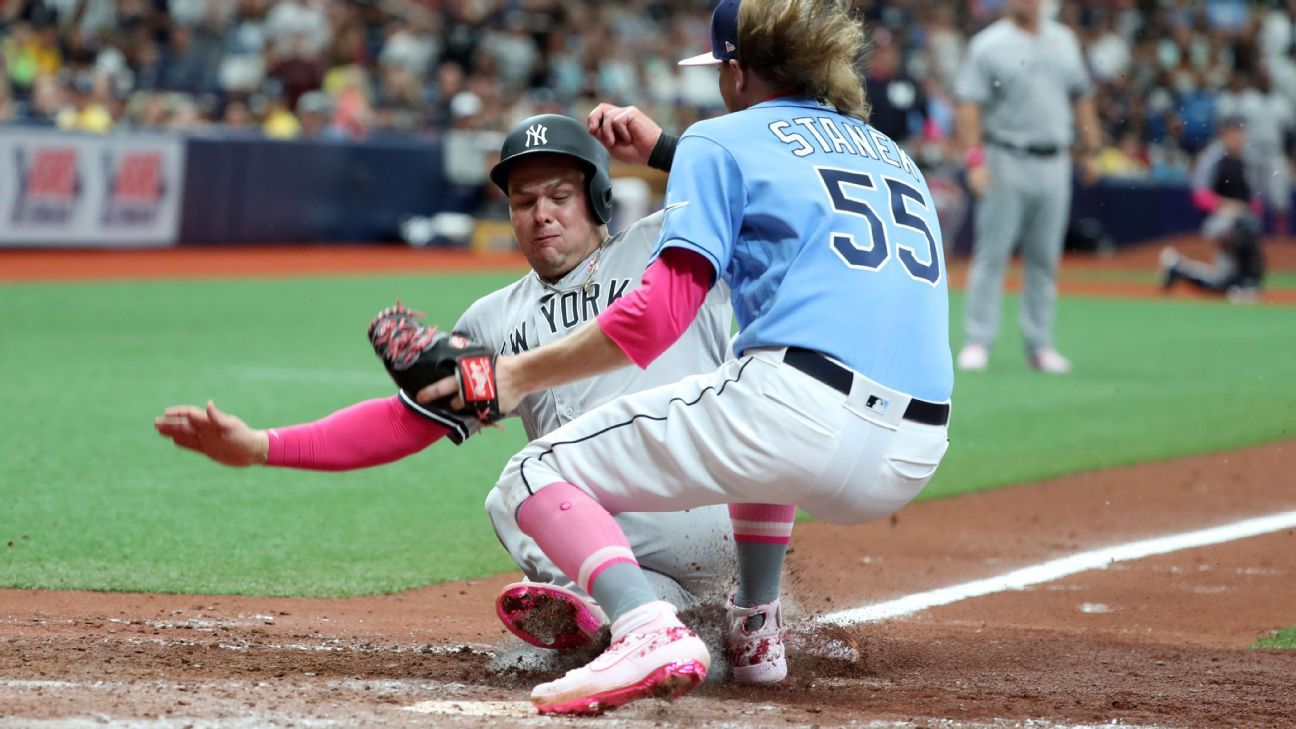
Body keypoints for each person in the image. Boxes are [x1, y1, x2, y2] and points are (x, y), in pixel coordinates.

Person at [419, 0, 951, 715]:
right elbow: (780, 177)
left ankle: (643, 627)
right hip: (914, 448)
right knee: (758, 390)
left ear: (737, 70)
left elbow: (660, 311)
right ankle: (756, 626)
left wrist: (518, 373)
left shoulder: (720, 137)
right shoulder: (887, 150)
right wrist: (671, 149)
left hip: (800, 417)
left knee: (531, 471)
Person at [153, 113, 737, 651]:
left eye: (560, 196)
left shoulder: (666, 244)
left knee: (517, 491)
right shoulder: (493, 319)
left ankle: (601, 608)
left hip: (705, 504)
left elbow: (759, 190)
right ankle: (675, 617)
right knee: (538, 494)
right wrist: (259, 446)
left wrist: (662, 149)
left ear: (600, 199)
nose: (541, 215)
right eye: (523, 201)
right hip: (622, 537)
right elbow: (401, 423)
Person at [952, 0, 1102, 375]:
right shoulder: (989, 44)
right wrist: (974, 161)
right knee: (992, 254)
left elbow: (1081, 94)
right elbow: (969, 105)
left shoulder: (1063, 39)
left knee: (1044, 260)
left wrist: (1091, 149)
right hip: (1007, 155)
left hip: (1055, 158)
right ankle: (977, 341)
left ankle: (1040, 346)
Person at [1160, 115, 1266, 303]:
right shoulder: (1213, 156)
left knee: (1223, 282)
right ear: (1224, 134)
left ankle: (1179, 268)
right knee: (1245, 223)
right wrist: (1226, 205)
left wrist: (1246, 209)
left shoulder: (1248, 159)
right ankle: (1246, 284)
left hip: (1240, 222)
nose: (1238, 137)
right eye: (1234, 132)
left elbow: (1256, 200)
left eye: (1241, 132)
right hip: (1218, 220)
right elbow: (1199, 195)